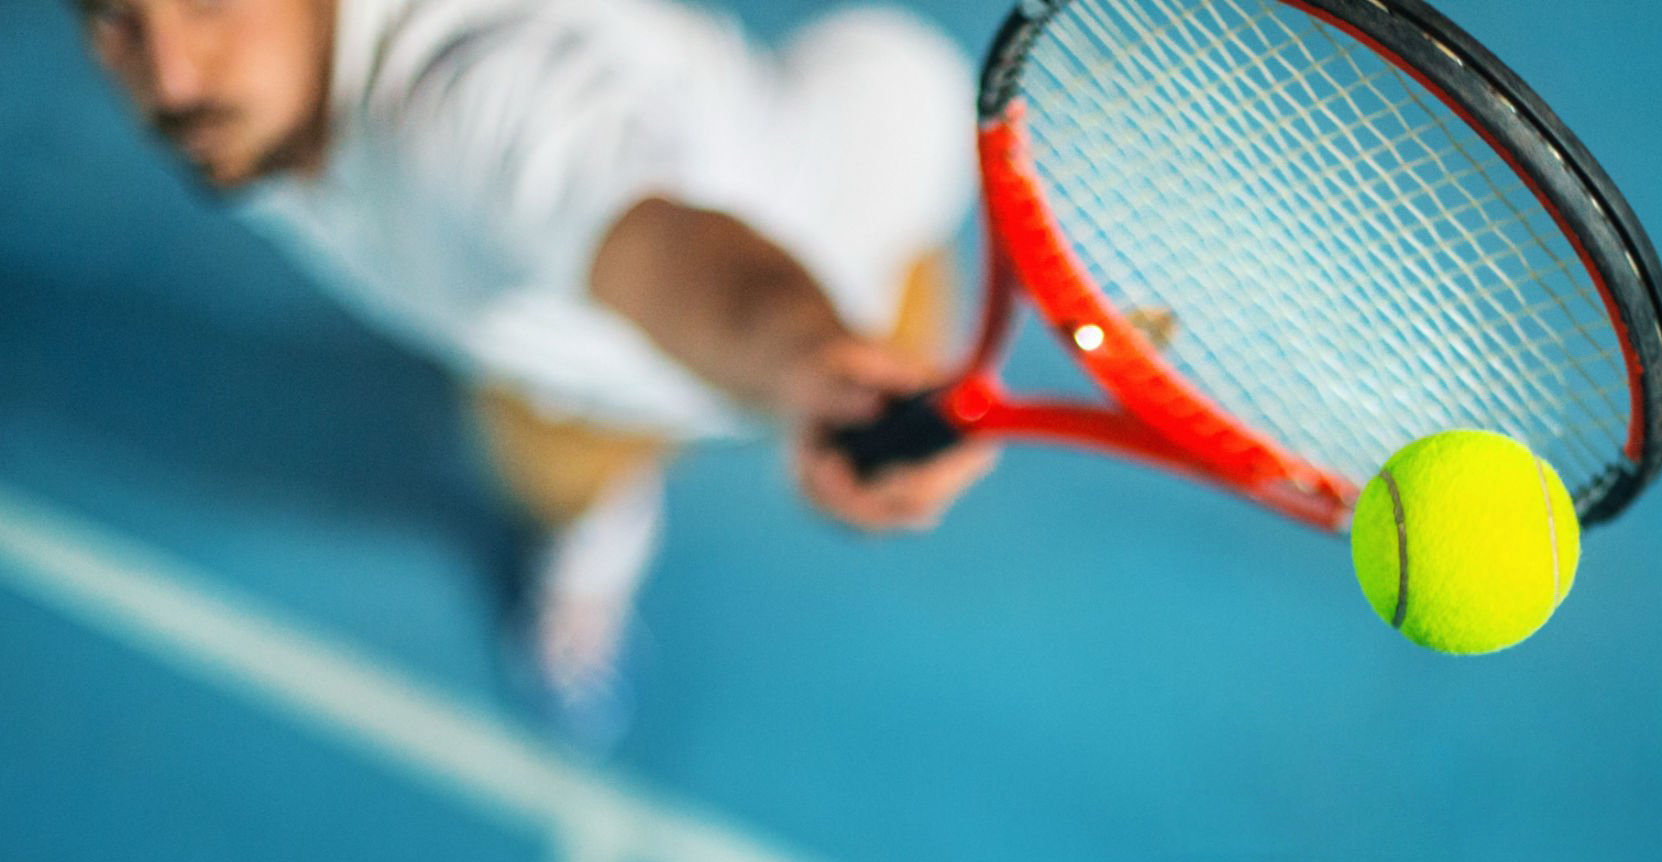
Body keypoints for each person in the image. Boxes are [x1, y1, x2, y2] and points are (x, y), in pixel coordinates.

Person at [72, 0, 999, 743]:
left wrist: (813, 358)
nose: (170, 77)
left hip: (846, 252)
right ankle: (594, 555)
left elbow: (675, 259)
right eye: (113, 20)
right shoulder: (254, 98)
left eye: (207, 6)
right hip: (562, 352)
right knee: (556, 473)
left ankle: (588, 568)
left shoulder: (479, 104)